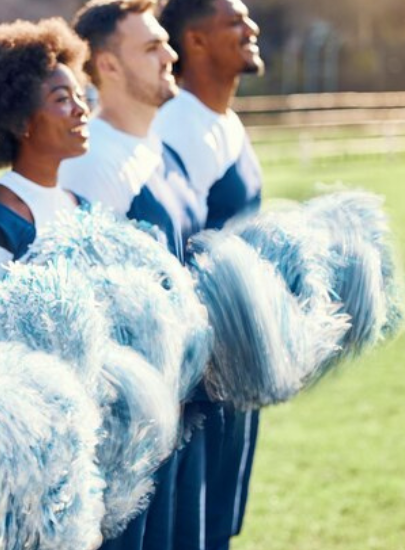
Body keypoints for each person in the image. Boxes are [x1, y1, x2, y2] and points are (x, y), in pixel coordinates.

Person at [59, 2, 205, 549]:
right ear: (108, 66)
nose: (170, 54)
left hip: (180, 408)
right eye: (151, 47)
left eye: (165, 41)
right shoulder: (91, 163)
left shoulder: (160, 149)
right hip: (130, 430)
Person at [154, 1, 265, 549]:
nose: (251, 29)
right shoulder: (176, 126)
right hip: (199, 376)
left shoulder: (224, 120)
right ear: (194, 41)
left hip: (235, 362)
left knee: (218, 526)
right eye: (234, 22)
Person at [0, 17, 92, 276]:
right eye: (63, 99)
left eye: (80, 96)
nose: (81, 109)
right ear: (19, 121)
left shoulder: (79, 204)